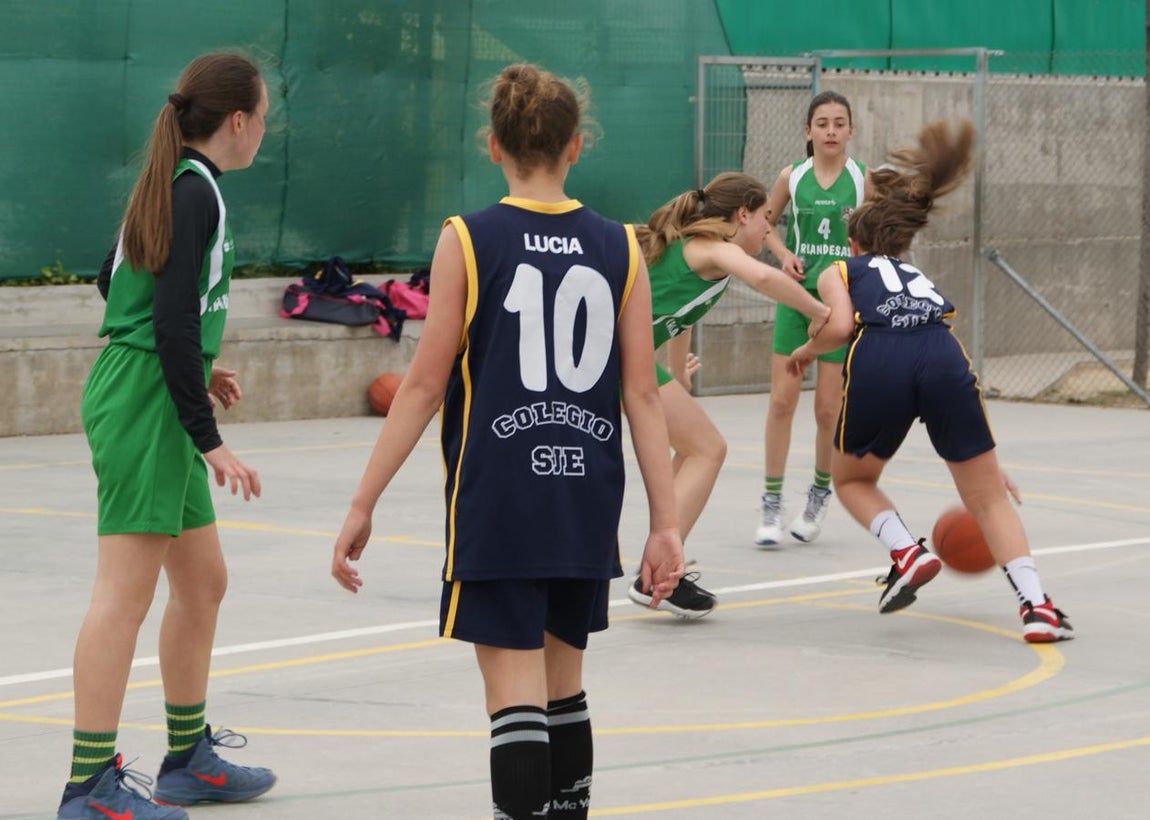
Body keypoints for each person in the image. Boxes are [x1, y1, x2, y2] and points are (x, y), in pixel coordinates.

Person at [330, 63, 684, 820]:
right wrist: (666, 521)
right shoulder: (622, 246)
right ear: (577, 147)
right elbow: (644, 393)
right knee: (566, 690)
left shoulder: (467, 237)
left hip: (501, 497)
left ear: (493, 146)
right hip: (584, 497)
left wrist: (363, 502)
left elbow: (423, 387)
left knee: (514, 703)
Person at [57, 52, 277, 820]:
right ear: (239, 121)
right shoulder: (193, 195)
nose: (265, 131)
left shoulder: (181, 184)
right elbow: (169, 315)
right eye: (264, 116)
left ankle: (186, 757)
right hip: (147, 403)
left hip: (153, 385)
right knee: (123, 593)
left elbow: (114, 282)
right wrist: (207, 430)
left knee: (203, 581)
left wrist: (197, 367)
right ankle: (89, 786)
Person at [785, 118, 1074, 643]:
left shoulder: (842, 270)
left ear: (854, 243)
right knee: (988, 498)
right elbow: (928, 350)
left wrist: (806, 348)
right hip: (942, 353)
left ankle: (905, 551)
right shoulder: (915, 274)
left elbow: (841, 326)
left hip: (881, 360)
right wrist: (988, 458)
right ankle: (1038, 608)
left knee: (850, 480)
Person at [625, 172, 833, 618]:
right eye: (765, 220)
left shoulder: (704, 256)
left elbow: (678, 318)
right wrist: (819, 310)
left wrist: (678, 376)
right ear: (742, 214)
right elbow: (763, 279)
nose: (767, 231)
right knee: (709, 449)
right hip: (618, 358)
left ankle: (659, 569)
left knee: (694, 449)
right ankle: (656, 572)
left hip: (627, 357)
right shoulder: (713, 249)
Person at [756, 91, 871, 547]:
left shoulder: (864, 180)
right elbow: (762, 223)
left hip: (842, 303)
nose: (830, 130)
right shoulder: (793, 176)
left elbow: (876, 234)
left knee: (828, 410)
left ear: (850, 131)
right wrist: (783, 254)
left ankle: (818, 494)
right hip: (796, 298)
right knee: (782, 402)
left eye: (839, 123)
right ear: (808, 131)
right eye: (821, 123)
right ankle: (770, 503)